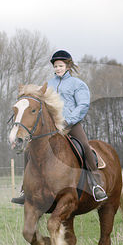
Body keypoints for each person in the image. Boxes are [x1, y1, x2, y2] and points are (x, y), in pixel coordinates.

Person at [12, 50, 108, 204]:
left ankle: (96, 184)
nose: (58, 69)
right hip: (52, 127)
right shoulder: (48, 85)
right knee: (30, 149)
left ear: (67, 66)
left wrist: (68, 120)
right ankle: (26, 189)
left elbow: (83, 106)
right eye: (56, 66)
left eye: (61, 66)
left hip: (71, 124)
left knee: (84, 146)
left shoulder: (78, 85)